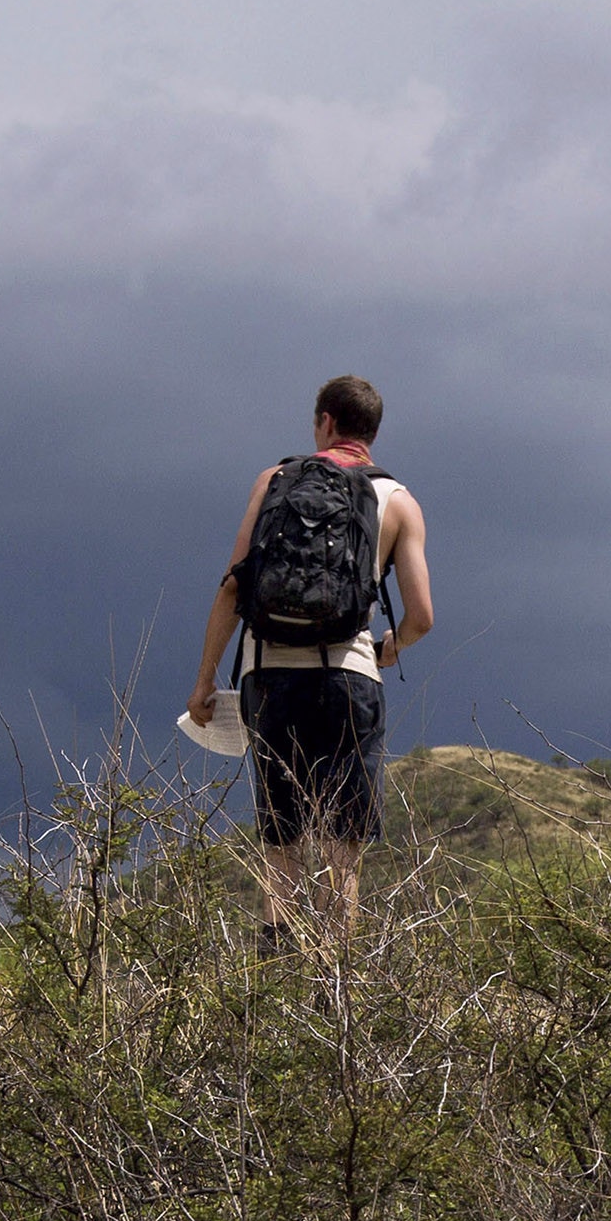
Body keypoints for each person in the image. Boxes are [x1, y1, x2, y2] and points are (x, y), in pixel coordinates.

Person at [186, 375, 434, 954]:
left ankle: (276, 971)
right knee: (344, 848)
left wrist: (205, 680)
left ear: (324, 421)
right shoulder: (398, 501)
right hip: (350, 678)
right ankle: (336, 980)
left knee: (281, 839)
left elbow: (232, 588)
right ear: (372, 433)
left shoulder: (275, 481)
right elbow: (422, 615)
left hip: (268, 675)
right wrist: (386, 649)